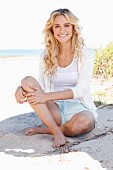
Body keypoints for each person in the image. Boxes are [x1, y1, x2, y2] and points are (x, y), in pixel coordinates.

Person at [15, 8, 98, 148]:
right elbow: (38, 86)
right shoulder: (46, 56)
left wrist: (45, 97)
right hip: (55, 109)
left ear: (73, 28)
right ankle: (57, 132)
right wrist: (21, 89)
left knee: (82, 124)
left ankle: (46, 130)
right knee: (26, 81)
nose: (62, 30)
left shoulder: (87, 54)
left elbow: (80, 90)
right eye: (57, 26)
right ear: (52, 30)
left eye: (66, 25)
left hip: (80, 108)